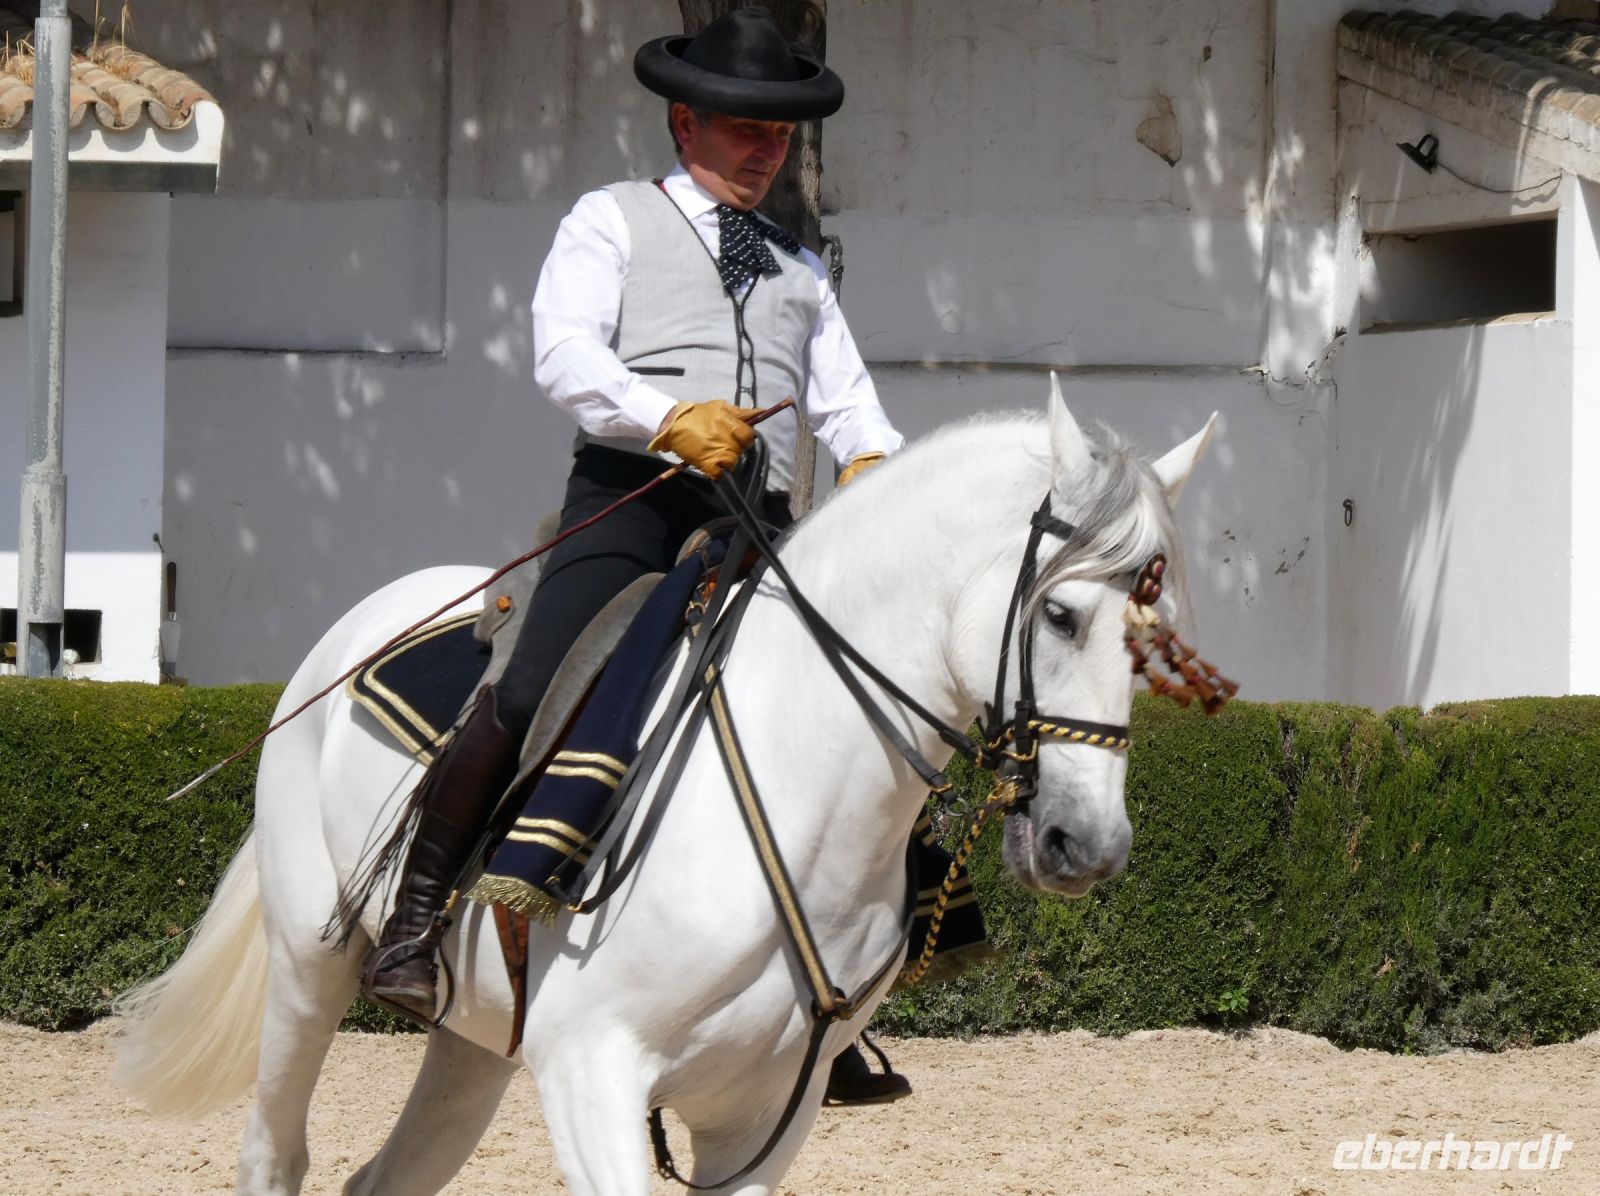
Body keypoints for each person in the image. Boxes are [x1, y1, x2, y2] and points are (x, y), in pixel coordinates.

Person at [361, 7, 912, 1103]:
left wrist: (872, 467)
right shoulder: (610, 219)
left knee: (867, 713)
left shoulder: (803, 270)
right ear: (684, 121)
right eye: (745, 128)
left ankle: (834, 994)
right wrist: (667, 417)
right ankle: (414, 919)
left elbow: (852, 407)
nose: (767, 149)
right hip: (634, 502)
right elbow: (561, 350)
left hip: (757, 524)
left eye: (781, 133)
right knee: (534, 681)